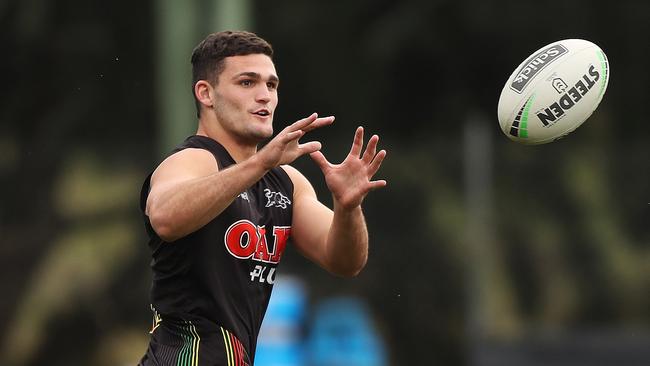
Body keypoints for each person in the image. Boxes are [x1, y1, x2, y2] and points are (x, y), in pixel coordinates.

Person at [138, 30, 387, 366]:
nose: (264, 96)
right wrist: (260, 162)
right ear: (206, 93)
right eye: (247, 83)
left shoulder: (286, 182)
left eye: (271, 85)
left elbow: (345, 261)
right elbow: (164, 218)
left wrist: (348, 207)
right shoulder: (193, 160)